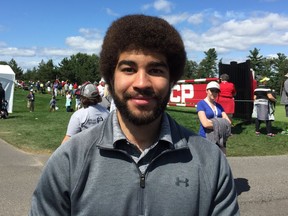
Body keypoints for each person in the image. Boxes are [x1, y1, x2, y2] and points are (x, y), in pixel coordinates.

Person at [29, 14, 239, 216]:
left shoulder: (211, 163)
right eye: (128, 69)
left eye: (156, 70)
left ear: (172, 81)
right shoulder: (68, 161)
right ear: (111, 79)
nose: (141, 83)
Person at [197, 81, 232, 155]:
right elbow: (205, 124)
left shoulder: (219, 106)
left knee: (221, 162)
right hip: (205, 138)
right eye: (212, 90)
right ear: (207, 91)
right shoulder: (201, 104)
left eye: (216, 91)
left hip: (220, 139)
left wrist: (213, 123)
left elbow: (228, 122)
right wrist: (221, 124)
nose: (214, 93)